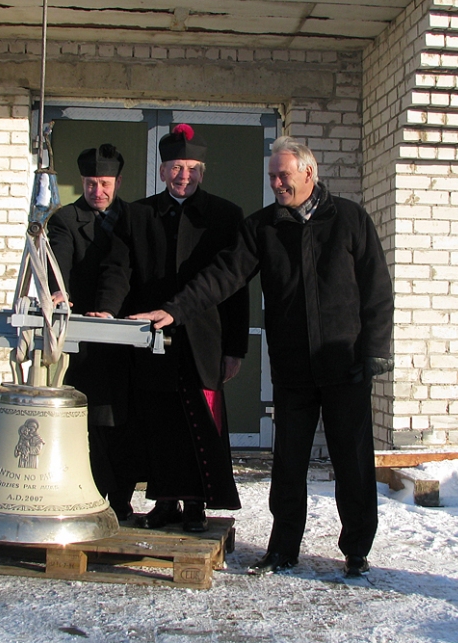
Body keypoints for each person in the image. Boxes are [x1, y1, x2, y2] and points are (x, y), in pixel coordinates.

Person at [131, 136, 393, 577]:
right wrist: (174, 310)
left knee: (353, 462)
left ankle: (356, 550)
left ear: (309, 173)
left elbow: (377, 291)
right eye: (272, 176)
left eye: (282, 176)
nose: (275, 183)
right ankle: (283, 548)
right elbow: (222, 277)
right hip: (292, 370)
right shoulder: (263, 227)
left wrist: (375, 353)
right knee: (288, 466)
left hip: (344, 365)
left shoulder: (349, 219)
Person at [103, 124, 249, 533]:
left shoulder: (226, 215)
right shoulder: (137, 214)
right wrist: (107, 312)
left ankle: (196, 506)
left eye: (191, 168)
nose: (183, 176)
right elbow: (119, 271)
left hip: (205, 338)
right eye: (175, 168)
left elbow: (236, 290)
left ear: (202, 171)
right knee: (159, 421)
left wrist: (235, 348)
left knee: (199, 421)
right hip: (151, 337)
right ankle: (165, 503)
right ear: (163, 170)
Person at [45, 144, 138, 519]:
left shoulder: (132, 217)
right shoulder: (65, 219)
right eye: (89, 183)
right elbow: (58, 262)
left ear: (116, 182)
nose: (97, 191)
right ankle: (92, 493)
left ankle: (122, 497)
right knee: (91, 419)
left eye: (104, 183)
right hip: (84, 336)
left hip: (123, 334)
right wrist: (58, 291)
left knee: (125, 420)